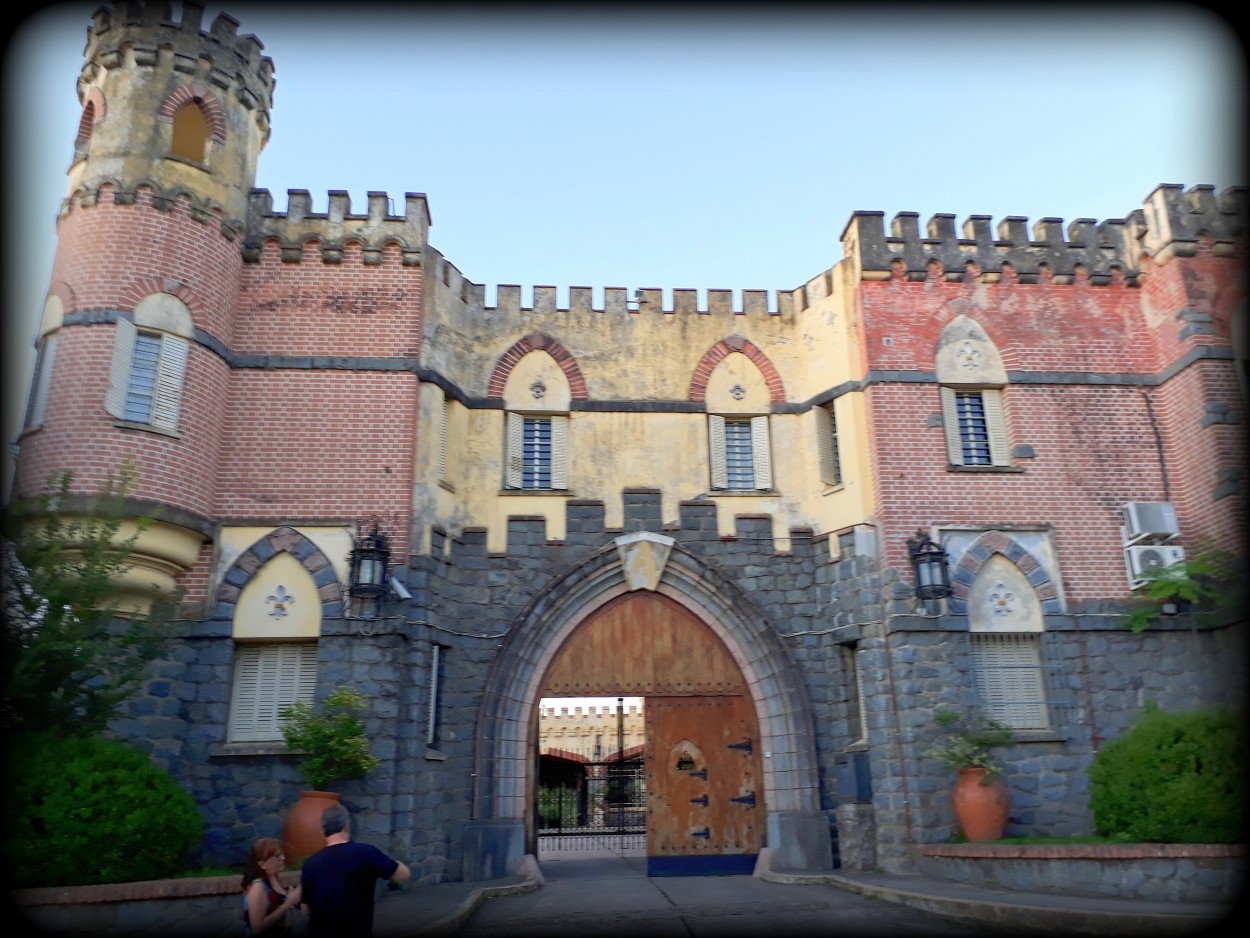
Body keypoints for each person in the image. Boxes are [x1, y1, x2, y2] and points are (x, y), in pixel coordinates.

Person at [300, 803, 411, 938]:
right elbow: (403, 874)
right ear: (347, 826)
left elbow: (305, 909)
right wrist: (395, 863)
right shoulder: (366, 853)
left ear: (323, 831)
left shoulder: (310, 864)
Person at [241, 837, 302, 935]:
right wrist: (288, 902)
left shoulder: (273, 878)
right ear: (263, 864)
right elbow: (257, 928)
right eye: (277, 856)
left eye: (282, 854)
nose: (283, 858)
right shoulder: (257, 887)